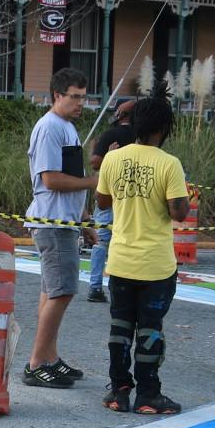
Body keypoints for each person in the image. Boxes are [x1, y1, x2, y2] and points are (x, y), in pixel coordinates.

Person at [94, 93, 193, 416]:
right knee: (150, 329)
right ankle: (149, 394)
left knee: (120, 327)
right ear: (163, 128)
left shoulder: (113, 159)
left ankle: (118, 391)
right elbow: (178, 212)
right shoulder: (169, 164)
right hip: (155, 265)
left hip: (121, 261)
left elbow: (102, 203)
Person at [22, 68, 96, 389]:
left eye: (83, 96)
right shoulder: (49, 128)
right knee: (62, 291)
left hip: (65, 221)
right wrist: (96, 181)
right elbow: (50, 178)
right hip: (52, 222)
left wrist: (85, 219)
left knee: (52, 291)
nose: (81, 102)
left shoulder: (67, 128)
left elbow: (72, 178)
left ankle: (49, 357)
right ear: (57, 96)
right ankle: (37, 362)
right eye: (74, 96)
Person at [86, 98, 136, 303]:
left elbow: (95, 163)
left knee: (101, 241)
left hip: (108, 194)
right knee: (130, 241)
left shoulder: (110, 135)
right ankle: (126, 287)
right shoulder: (142, 137)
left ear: (120, 115)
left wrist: (95, 150)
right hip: (133, 197)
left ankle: (95, 286)